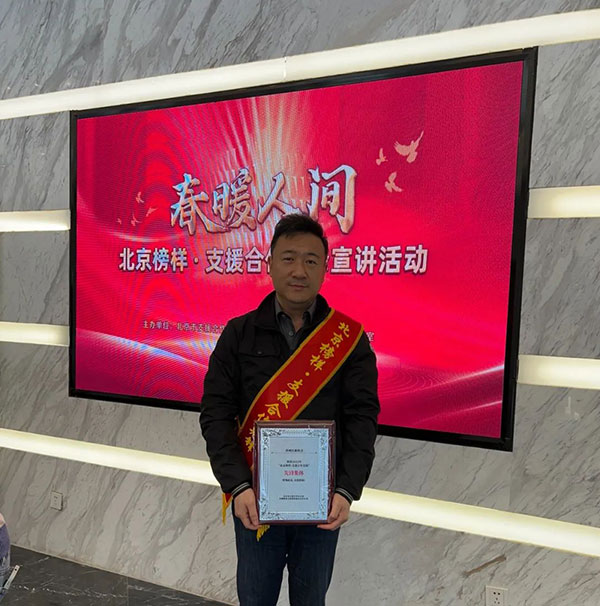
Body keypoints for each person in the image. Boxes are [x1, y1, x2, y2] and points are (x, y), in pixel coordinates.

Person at [200, 214, 379, 606]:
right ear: (269, 264)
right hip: (255, 502)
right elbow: (216, 414)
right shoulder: (238, 334)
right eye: (289, 258)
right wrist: (237, 485)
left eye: (311, 260)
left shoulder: (349, 340)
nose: (300, 270)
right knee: (254, 598)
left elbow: (362, 420)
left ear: (326, 269)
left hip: (322, 505)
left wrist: (347, 489)